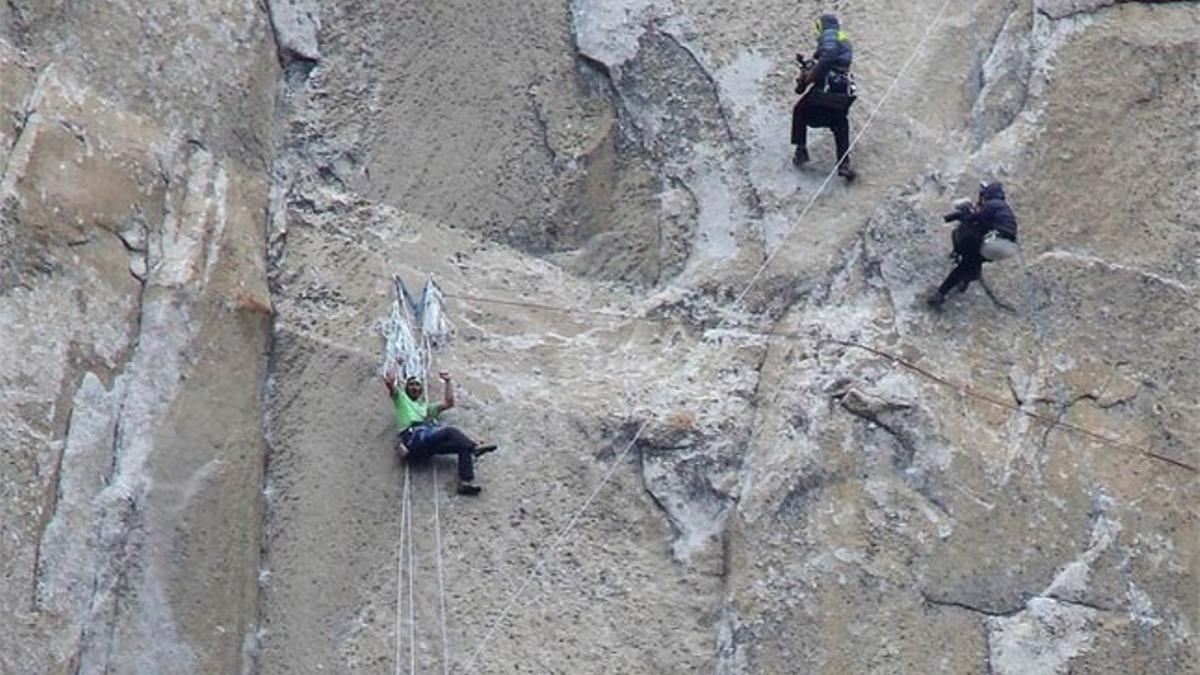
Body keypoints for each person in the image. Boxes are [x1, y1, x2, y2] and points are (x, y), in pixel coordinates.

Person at [383, 356, 496, 495]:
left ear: (421, 391)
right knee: (449, 431)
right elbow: (389, 381)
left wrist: (448, 381)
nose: (415, 387)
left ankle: (465, 482)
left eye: (417, 385)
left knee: (463, 446)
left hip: (425, 447)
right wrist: (396, 364)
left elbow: (449, 402)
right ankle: (475, 449)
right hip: (413, 439)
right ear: (406, 388)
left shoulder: (426, 408)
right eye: (411, 384)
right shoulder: (401, 399)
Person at [928, 181, 1019, 307]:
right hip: (1008, 248)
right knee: (974, 260)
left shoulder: (993, 204)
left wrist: (959, 215)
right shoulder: (1004, 209)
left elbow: (975, 219)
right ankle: (969, 276)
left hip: (994, 241)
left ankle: (941, 293)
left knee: (966, 252)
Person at [792, 13, 857, 181]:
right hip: (842, 91)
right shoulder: (843, 39)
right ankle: (844, 164)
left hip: (827, 88)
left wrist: (810, 76)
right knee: (840, 122)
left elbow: (827, 55)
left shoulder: (830, 34)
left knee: (800, 111)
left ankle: (801, 151)